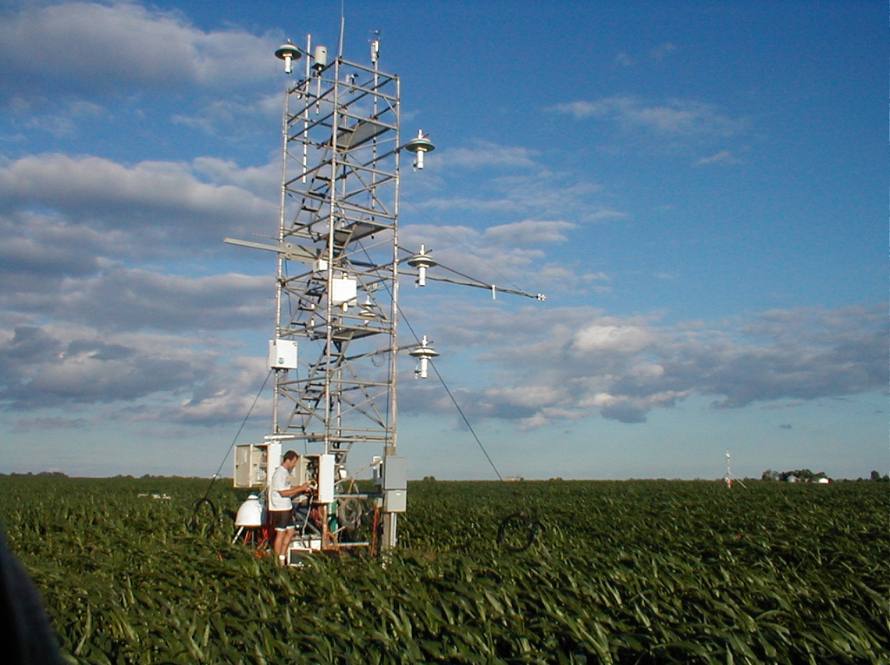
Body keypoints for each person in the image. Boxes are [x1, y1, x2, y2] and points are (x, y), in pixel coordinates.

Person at [269, 451, 312, 566]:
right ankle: (277, 560)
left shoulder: (285, 473)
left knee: (291, 531)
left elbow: (287, 488)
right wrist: (300, 488)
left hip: (286, 507)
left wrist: (301, 488)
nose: (294, 465)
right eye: (294, 462)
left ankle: (282, 557)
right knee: (281, 533)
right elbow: (283, 492)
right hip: (279, 508)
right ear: (288, 460)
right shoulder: (279, 473)